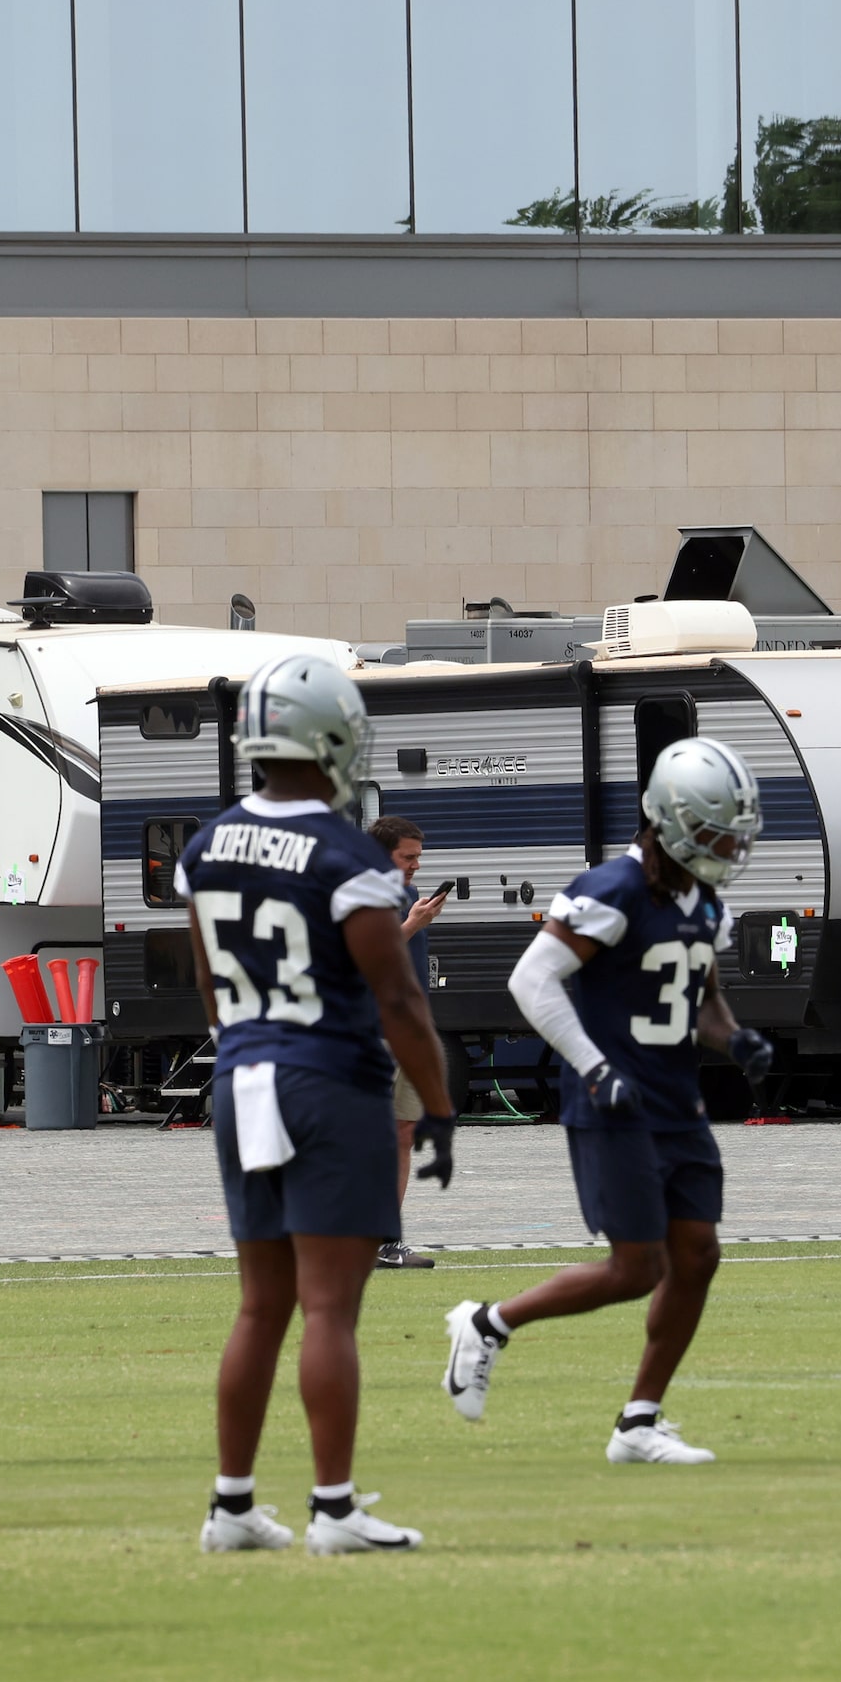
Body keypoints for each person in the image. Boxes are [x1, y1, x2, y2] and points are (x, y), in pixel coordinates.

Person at [184, 655, 456, 1554]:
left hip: (241, 1074)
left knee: (259, 1304)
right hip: (326, 1079)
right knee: (331, 1307)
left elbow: (208, 981)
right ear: (331, 736)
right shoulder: (345, 852)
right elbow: (397, 996)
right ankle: (333, 1509)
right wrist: (443, 1109)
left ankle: (230, 1507)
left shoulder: (208, 843)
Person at [443, 737, 774, 1456]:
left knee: (698, 1255)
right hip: (612, 1102)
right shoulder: (610, 887)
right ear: (671, 820)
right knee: (636, 1268)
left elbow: (701, 1000)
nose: (725, 846)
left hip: (674, 1100)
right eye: (715, 831)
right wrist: (594, 1068)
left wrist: (734, 1039)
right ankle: (488, 1322)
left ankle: (639, 1422)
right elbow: (530, 981)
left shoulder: (698, 896)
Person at [367, 812, 447, 1272]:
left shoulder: (409, 894)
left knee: (402, 1132)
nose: (416, 865)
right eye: (408, 856)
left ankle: (387, 1240)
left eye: (418, 856)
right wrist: (412, 925)